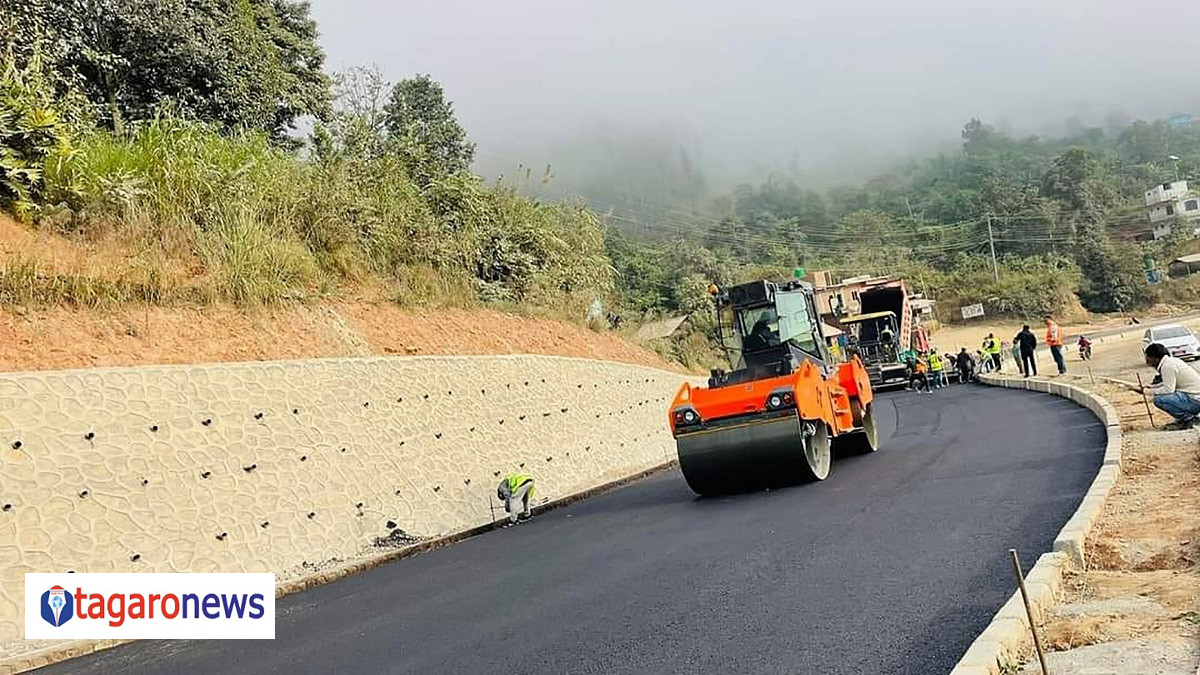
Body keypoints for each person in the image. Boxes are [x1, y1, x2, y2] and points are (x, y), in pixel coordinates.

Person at [1138, 343, 1200, 430]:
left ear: (1155, 357)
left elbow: (1168, 389)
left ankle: (1189, 419)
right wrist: (1151, 387)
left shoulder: (1167, 367)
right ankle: (1185, 419)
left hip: (1195, 400)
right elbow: (1169, 382)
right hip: (1194, 397)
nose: (1147, 360)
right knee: (1161, 396)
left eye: (1148, 357)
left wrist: (1148, 392)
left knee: (1159, 399)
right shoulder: (1171, 362)